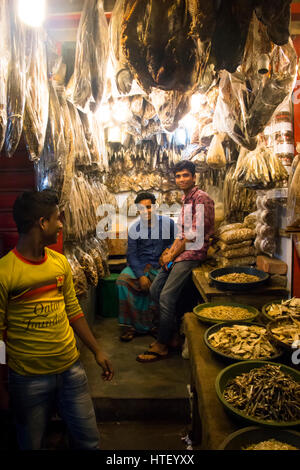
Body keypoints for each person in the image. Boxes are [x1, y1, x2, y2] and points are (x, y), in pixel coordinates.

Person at [0, 190, 113, 450]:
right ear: (42, 223)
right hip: (28, 379)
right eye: (56, 218)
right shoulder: (5, 273)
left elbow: (73, 310)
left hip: (70, 369)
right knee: (31, 443)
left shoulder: (60, 262)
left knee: (89, 441)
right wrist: (2, 381)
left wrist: (97, 350)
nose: (61, 224)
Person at [137, 161, 214, 363]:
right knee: (155, 290)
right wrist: (169, 252)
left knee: (166, 297)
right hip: (180, 254)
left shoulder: (201, 199)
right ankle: (172, 335)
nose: (181, 179)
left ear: (194, 177)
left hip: (192, 255)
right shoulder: (186, 199)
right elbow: (181, 234)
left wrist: (172, 255)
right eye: (178, 176)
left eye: (185, 175)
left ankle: (162, 344)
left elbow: (193, 236)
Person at [117, 192, 176, 342]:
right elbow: (132, 255)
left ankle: (157, 325)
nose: (145, 211)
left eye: (148, 207)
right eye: (141, 209)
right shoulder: (134, 228)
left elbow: (178, 242)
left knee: (161, 283)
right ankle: (131, 326)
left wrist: (168, 250)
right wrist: (140, 275)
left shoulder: (168, 224)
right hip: (141, 265)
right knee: (122, 281)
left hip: (163, 264)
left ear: (155, 207)